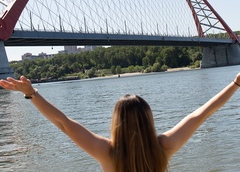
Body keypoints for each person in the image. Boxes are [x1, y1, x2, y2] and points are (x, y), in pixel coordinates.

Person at [0, 73, 240, 172]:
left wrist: (32, 94)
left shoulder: (107, 152)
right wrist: (235, 84)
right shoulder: (164, 148)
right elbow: (202, 114)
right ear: (148, 120)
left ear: (116, 122)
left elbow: (63, 123)